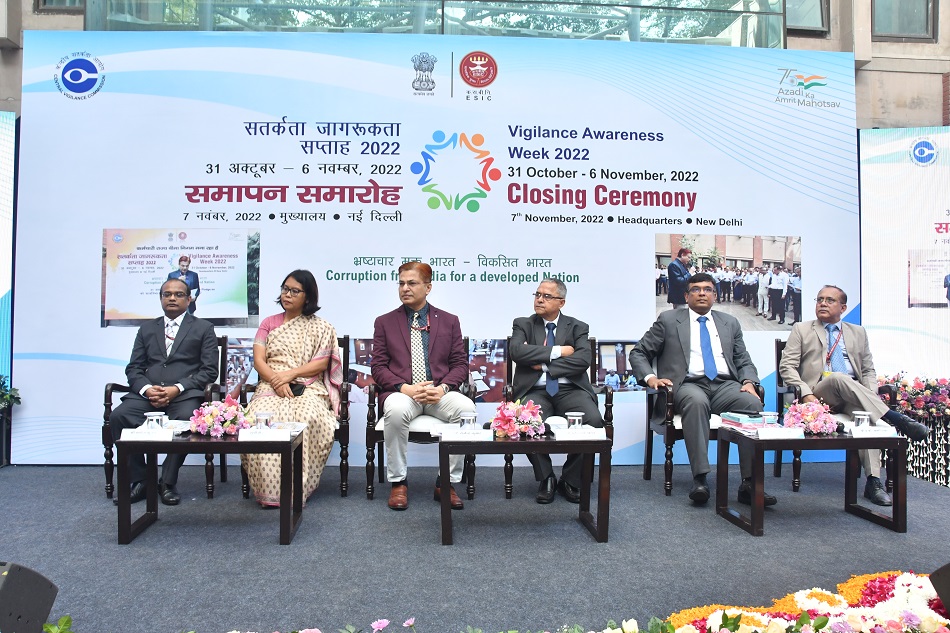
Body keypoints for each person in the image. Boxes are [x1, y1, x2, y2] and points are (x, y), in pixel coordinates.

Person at [629, 272, 776, 506]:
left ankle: (749, 484)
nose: (702, 294)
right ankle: (700, 479)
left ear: (715, 295)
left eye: (707, 289)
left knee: (752, 403)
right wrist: (651, 378)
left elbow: (743, 359)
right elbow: (639, 352)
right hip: (687, 385)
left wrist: (749, 381)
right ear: (686, 296)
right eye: (695, 289)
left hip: (725, 385)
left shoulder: (730, 322)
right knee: (696, 403)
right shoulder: (668, 320)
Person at [778, 285, 930, 506]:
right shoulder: (802, 329)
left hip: (852, 394)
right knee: (838, 378)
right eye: (820, 299)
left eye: (830, 300)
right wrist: (806, 393)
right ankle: (896, 418)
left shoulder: (858, 332)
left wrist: (869, 396)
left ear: (843, 307)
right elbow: (787, 367)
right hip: (819, 395)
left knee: (867, 417)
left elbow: (867, 370)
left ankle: (873, 482)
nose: (822, 303)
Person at [370, 261, 475, 511]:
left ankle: (446, 482)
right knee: (395, 410)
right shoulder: (385, 322)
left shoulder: (449, 321)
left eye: (412, 283)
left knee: (466, 410)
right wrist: (403, 388)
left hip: (438, 393)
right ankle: (398, 482)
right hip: (403, 392)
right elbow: (378, 367)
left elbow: (460, 364)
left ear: (428, 287)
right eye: (401, 283)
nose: (405, 288)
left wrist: (443, 389)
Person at [109, 278, 219, 506]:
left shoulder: (203, 328)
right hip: (148, 395)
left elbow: (209, 371)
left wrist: (176, 388)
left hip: (184, 395)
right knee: (119, 416)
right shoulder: (147, 329)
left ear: (189, 299)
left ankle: (167, 482)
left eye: (178, 294)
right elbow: (134, 368)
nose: (172, 298)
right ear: (160, 299)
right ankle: (142, 480)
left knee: (188, 419)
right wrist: (147, 389)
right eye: (167, 294)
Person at [242, 270, 343, 507]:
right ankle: (268, 489)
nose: (287, 295)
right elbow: (259, 361)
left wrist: (291, 374)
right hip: (270, 384)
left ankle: (298, 488)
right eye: (285, 289)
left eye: (294, 291)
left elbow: (320, 364)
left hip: (308, 386)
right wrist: (277, 380)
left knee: (309, 417)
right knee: (259, 420)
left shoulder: (322, 327)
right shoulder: (268, 323)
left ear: (308, 297)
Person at [509, 278, 605, 504]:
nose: (539, 299)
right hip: (535, 390)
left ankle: (571, 479)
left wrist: (542, 364)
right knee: (525, 423)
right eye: (537, 294)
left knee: (593, 422)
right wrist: (559, 351)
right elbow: (517, 352)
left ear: (561, 302)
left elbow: (582, 360)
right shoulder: (523, 324)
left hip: (571, 390)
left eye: (546, 296)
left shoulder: (578, 327)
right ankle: (547, 477)